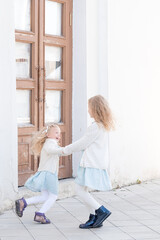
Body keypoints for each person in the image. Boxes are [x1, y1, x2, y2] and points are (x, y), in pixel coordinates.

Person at [62, 95, 114, 229]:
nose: (88, 110)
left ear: (95, 109)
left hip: (91, 163)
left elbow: (82, 143)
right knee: (83, 189)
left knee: (80, 190)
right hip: (94, 162)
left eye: (89, 107)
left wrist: (65, 150)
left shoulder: (95, 127)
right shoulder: (102, 126)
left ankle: (101, 211)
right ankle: (93, 217)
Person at [15, 124, 64, 224]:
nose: (59, 134)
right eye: (56, 132)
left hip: (45, 173)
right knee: (53, 196)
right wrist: (64, 150)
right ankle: (40, 214)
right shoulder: (50, 143)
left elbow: (57, 151)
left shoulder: (51, 143)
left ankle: (23, 202)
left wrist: (64, 149)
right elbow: (53, 151)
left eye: (59, 132)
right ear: (48, 135)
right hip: (49, 174)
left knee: (45, 196)